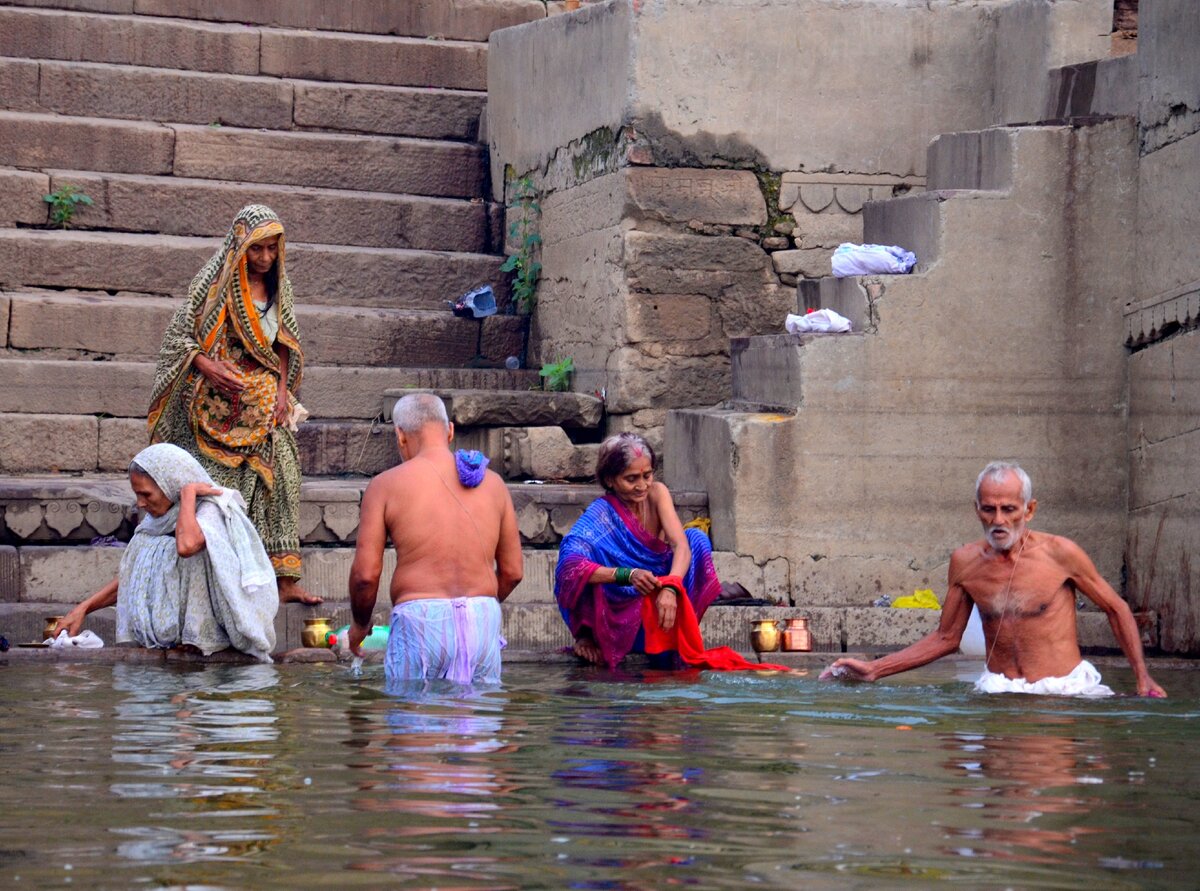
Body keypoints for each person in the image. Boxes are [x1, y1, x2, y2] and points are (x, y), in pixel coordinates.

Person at [821, 461, 1166, 697]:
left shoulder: (1060, 553)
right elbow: (946, 638)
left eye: (1009, 509)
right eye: (989, 509)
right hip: (999, 690)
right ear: (977, 510)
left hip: (1064, 691)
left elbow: (1116, 608)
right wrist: (875, 669)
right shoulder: (965, 562)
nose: (998, 520)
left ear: (1029, 510)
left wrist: (1142, 676)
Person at [147, 204, 320, 604]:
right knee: (215, 495)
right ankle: (217, 579)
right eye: (257, 249)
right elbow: (178, 337)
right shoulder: (214, 282)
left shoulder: (280, 287)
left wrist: (282, 393)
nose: (265, 258)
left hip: (265, 403)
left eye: (272, 249)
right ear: (240, 244)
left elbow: (283, 345)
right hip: (216, 405)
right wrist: (208, 367)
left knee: (285, 473)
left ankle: (285, 581)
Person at [347, 393, 523, 684]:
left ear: (400, 436)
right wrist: (474, 605)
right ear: (450, 431)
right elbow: (513, 572)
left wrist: (360, 625)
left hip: (420, 621)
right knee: (478, 713)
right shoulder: (494, 484)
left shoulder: (385, 485)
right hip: (481, 619)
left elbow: (365, 576)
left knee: (413, 712)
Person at [55, 443, 279, 662]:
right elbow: (134, 574)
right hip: (168, 644)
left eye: (146, 494)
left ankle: (197, 636)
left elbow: (186, 546)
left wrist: (188, 493)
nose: (140, 504)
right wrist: (84, 608)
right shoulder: (155, 522)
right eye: (137, 495)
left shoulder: (212, 509)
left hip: (219, 638)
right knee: (146, 544)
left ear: (171, 486)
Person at [554, 432, 723, 668]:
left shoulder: (657, 493)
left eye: (647, 475)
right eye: (631, 479)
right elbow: (569, 567)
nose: (642, 486)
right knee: (580, 565)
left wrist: (671, 587)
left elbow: (681, 545)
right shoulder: (601, 514)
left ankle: (676, 638)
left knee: (696, 539)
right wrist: (628, 575)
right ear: (610, 480)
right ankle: (587, 637)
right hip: (620, 618)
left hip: (663, 605)